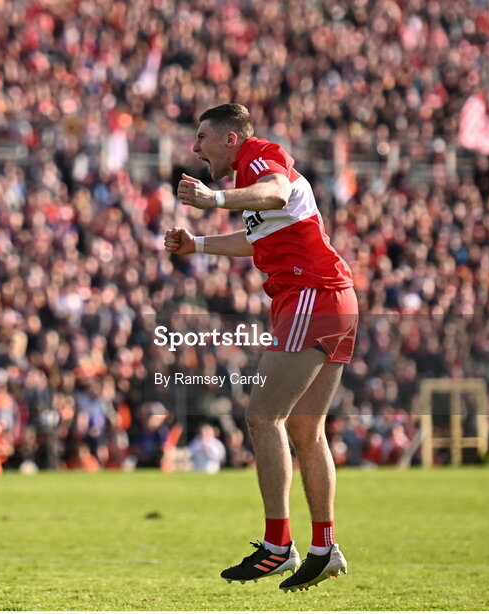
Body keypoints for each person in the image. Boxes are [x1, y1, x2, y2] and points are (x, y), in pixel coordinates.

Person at [164, 103, 356, 591]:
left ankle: (277, 546)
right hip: (333, 297)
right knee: (306, 429)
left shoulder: (258, 156)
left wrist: (211, 199)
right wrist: (199, 246)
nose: (195, 146)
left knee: (262, 416)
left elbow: (274, 193)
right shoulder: (250, 177)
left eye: (203, 136)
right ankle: (325, 546)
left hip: (310, 295)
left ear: (231, 139)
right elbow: (259, 238)